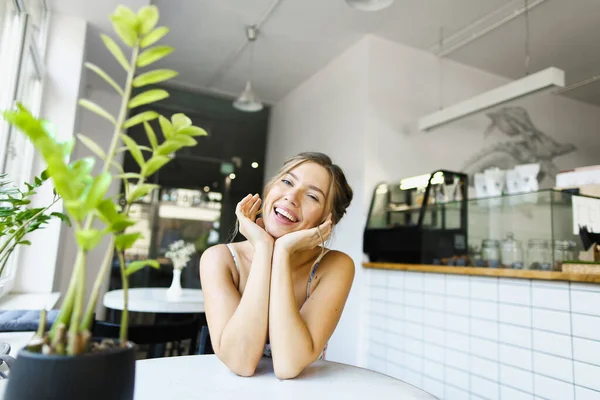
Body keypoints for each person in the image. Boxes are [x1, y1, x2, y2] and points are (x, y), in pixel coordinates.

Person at [199, 152, 354, 380]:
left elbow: (288, 365)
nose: (292, 196)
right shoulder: (219, 259)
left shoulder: (334, 267)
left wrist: (281, 251)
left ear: (326, 221)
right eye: (287, 181)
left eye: (312, 196)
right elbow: (240, 363)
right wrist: (263, 248)